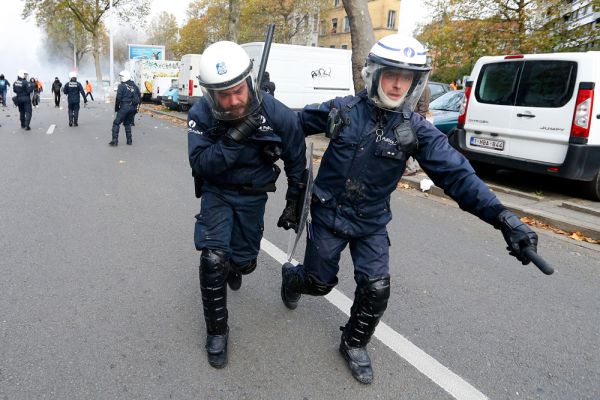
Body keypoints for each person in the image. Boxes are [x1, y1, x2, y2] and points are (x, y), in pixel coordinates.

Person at [279, 34, 539, 384]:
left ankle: (354, 343)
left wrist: (504, 218)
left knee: (376, 288)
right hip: (328, 214)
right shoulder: (342, 110)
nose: (399, 83)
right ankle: (294, 279)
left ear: (417, 81)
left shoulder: (414, 130)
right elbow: (289, 125)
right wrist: (262, 114)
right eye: (391, 74)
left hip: (371, 222)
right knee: (318, 282)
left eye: (408, 77)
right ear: (375, 74)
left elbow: (458, 174)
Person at [187, 41, 306, 369]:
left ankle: (234, 266)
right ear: (211, 93)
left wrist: (294, 201)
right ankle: (217, 332)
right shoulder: (201, 114)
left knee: (244, 262)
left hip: (253, 196)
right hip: (217, 192)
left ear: (250, 82)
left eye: (238, 91)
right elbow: (201, 165)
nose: (233, 100)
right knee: (212, 258)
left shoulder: (277, 113)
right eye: (223, 95)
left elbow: (297, 160)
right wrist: (236, 137)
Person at [110, 70, 140, 146]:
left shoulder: (121, 86)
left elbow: (118, 98)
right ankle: (129, 141)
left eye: (121, 77)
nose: (120, 78)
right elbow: (139, 97)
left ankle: (114, 141)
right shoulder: (134, 86)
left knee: (116, 123)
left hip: (125, 107)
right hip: (133, 108)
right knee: (127, 123)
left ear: (125, 77)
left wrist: (116, 108)